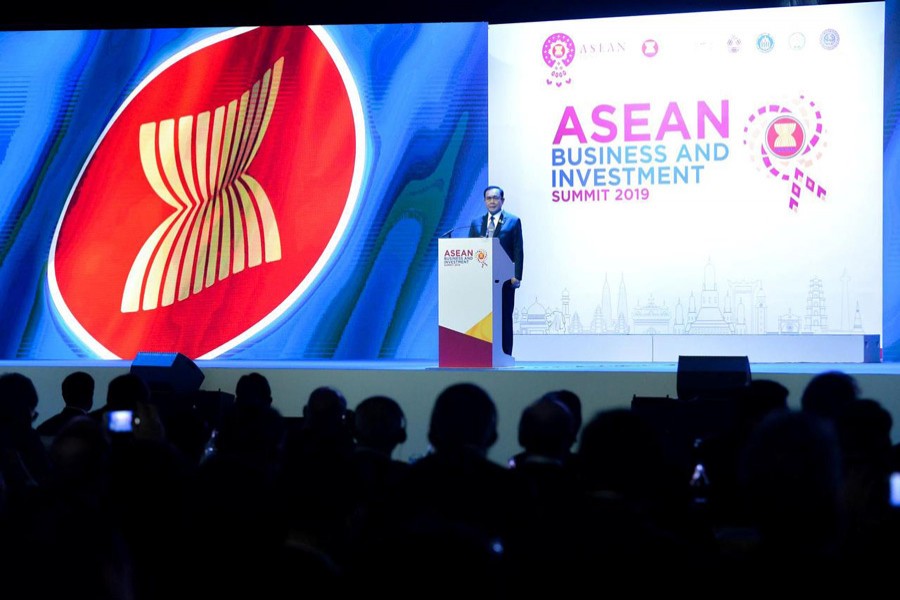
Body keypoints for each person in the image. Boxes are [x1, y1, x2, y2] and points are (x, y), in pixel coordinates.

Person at [468, 185, 523, 355]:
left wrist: (517, 276)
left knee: (504, 317)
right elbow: (469, 250)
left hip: (505, 279)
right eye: (488, 198)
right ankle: (482, 354)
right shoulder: (476, 223)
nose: (492, 201)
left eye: (495, 198)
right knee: (482, 319)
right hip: (482, 279)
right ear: (484, 201)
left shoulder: (513, 221)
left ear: (502, 200)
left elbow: (518, 250)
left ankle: (505, 354)